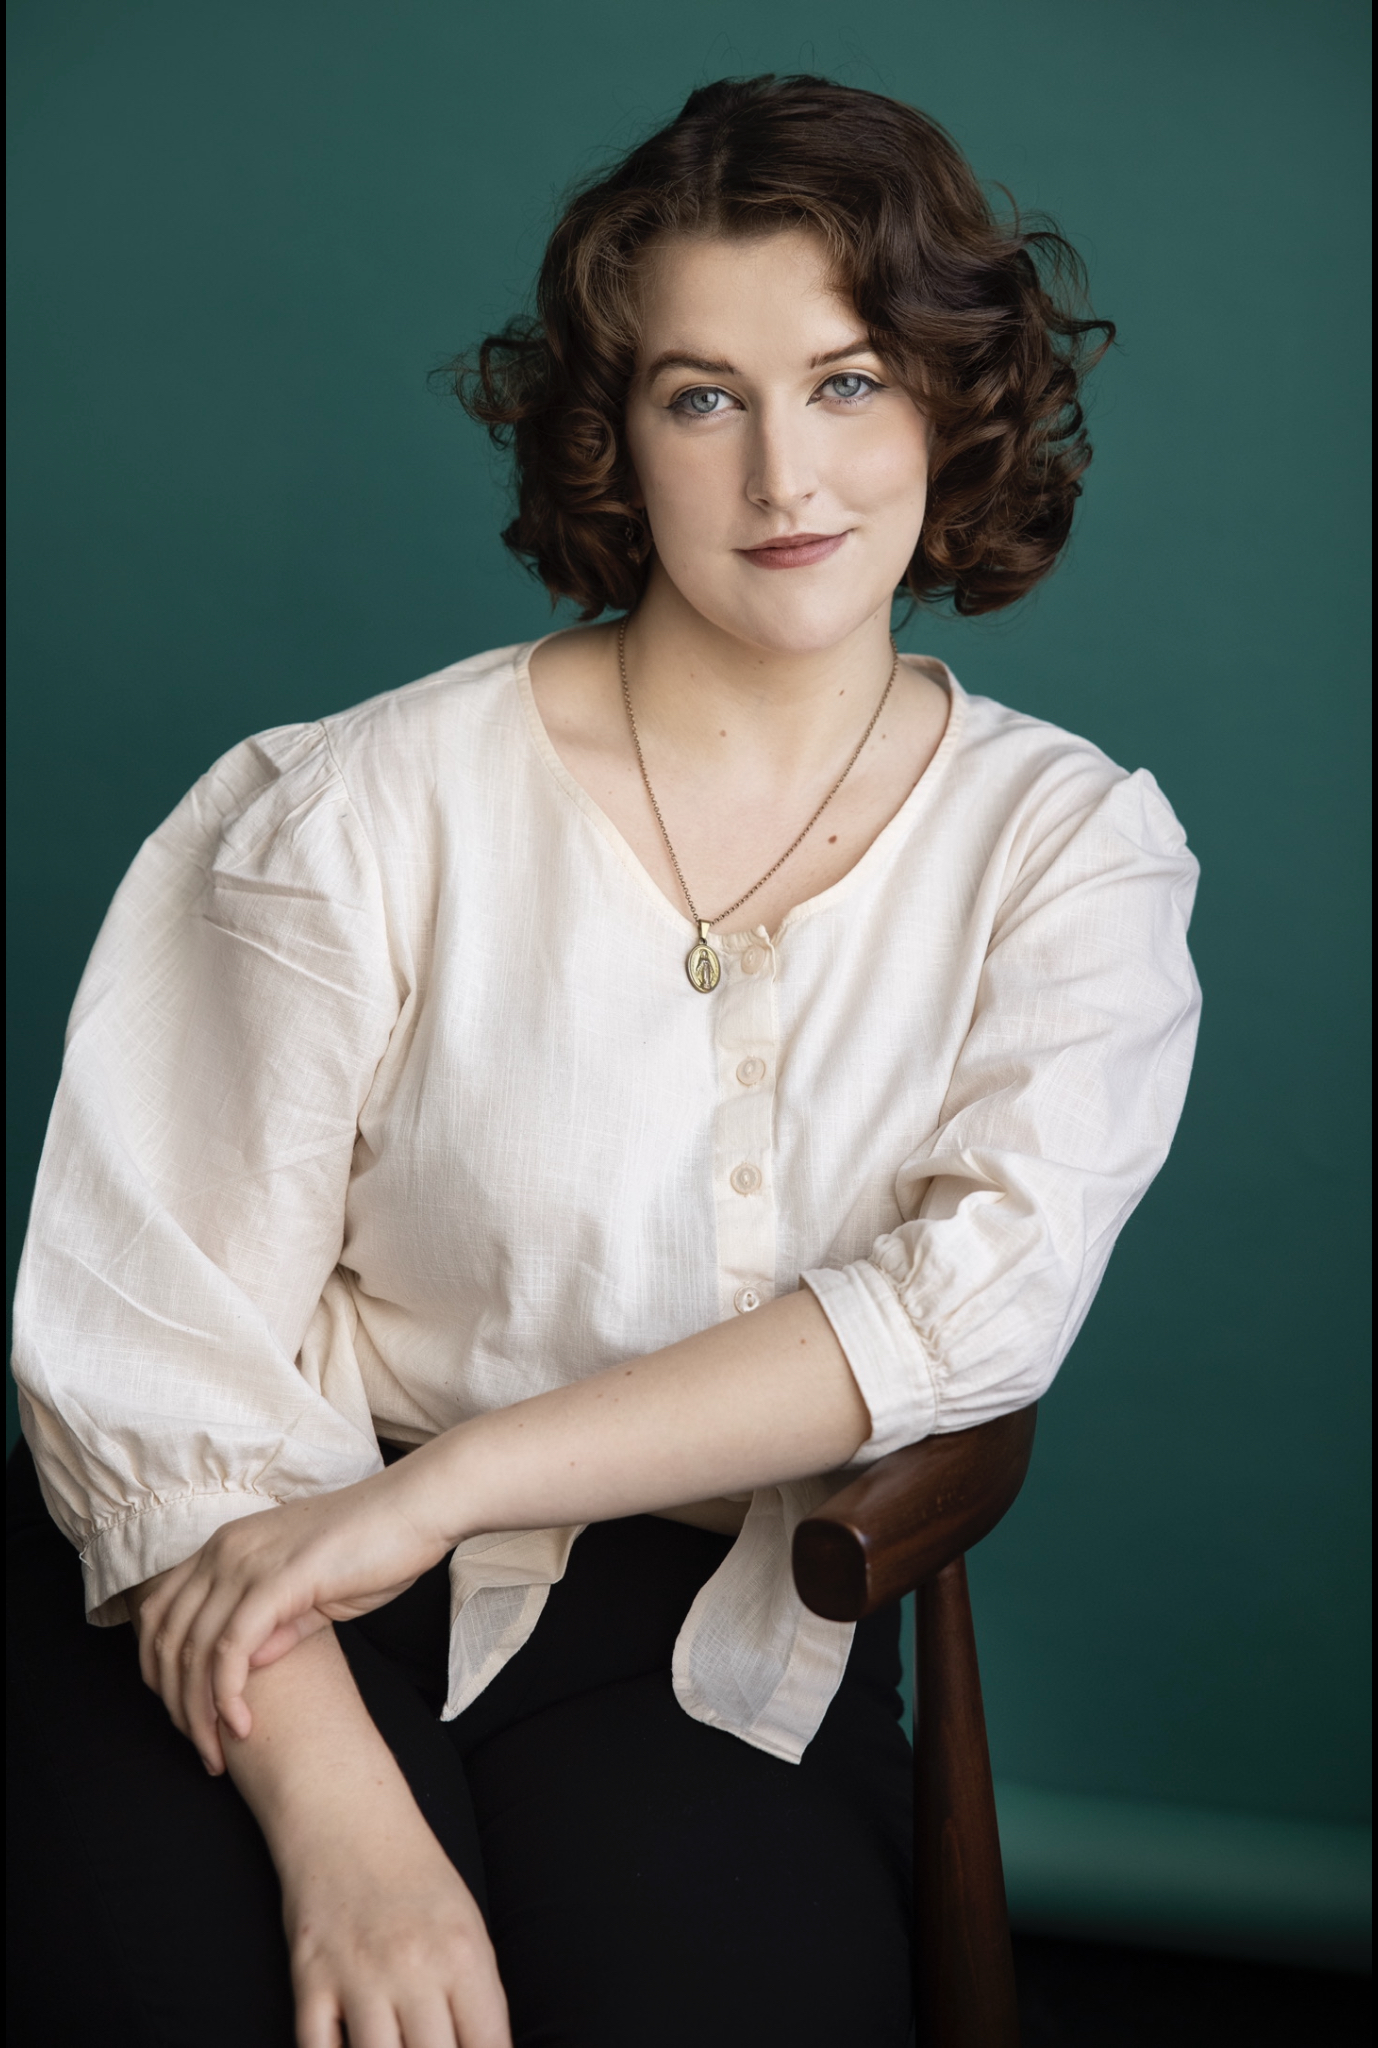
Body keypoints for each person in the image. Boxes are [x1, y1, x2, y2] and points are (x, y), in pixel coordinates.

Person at [6, 73, 1201, 2048]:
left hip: (713, 1609)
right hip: (256, 1535)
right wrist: (351, 1833)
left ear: (945, 400)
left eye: (844, 380)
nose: (783, 475)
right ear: (615, 438)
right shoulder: (354, 807)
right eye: (701, 397)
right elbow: (162, 1349)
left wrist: (457, 1489)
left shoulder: (1067, 849)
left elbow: (972, 1304)